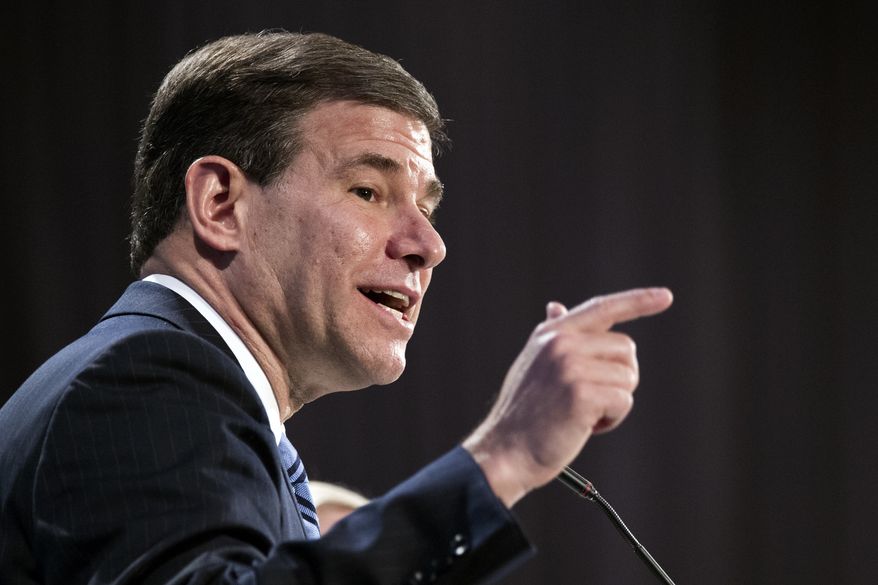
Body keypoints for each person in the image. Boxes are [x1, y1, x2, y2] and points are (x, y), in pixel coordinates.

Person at [0, 31, 673, 584]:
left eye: (427, 206)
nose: (429, 244)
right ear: (220, 205)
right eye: (368, 190)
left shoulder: (201, 400)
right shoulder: (143, 382)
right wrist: (506, 453)